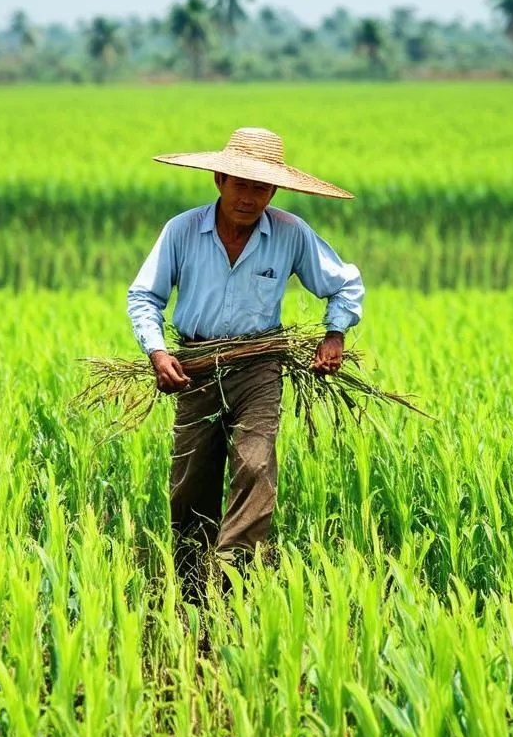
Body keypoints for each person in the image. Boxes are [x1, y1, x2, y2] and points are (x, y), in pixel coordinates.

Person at [127, 127, 364, 597]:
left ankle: (233, 580)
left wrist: (334, 333)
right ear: (219, 179)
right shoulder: (181, 231)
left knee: (255, 467)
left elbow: (345, 284)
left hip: (259, 366)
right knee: (192, 481)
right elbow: (144, 296)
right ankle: (193, 586)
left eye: (260, 187)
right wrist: (157, 352)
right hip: (194, 366)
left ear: (274, 190)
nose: (249, 197)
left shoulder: (291, 233)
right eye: (241, 183)